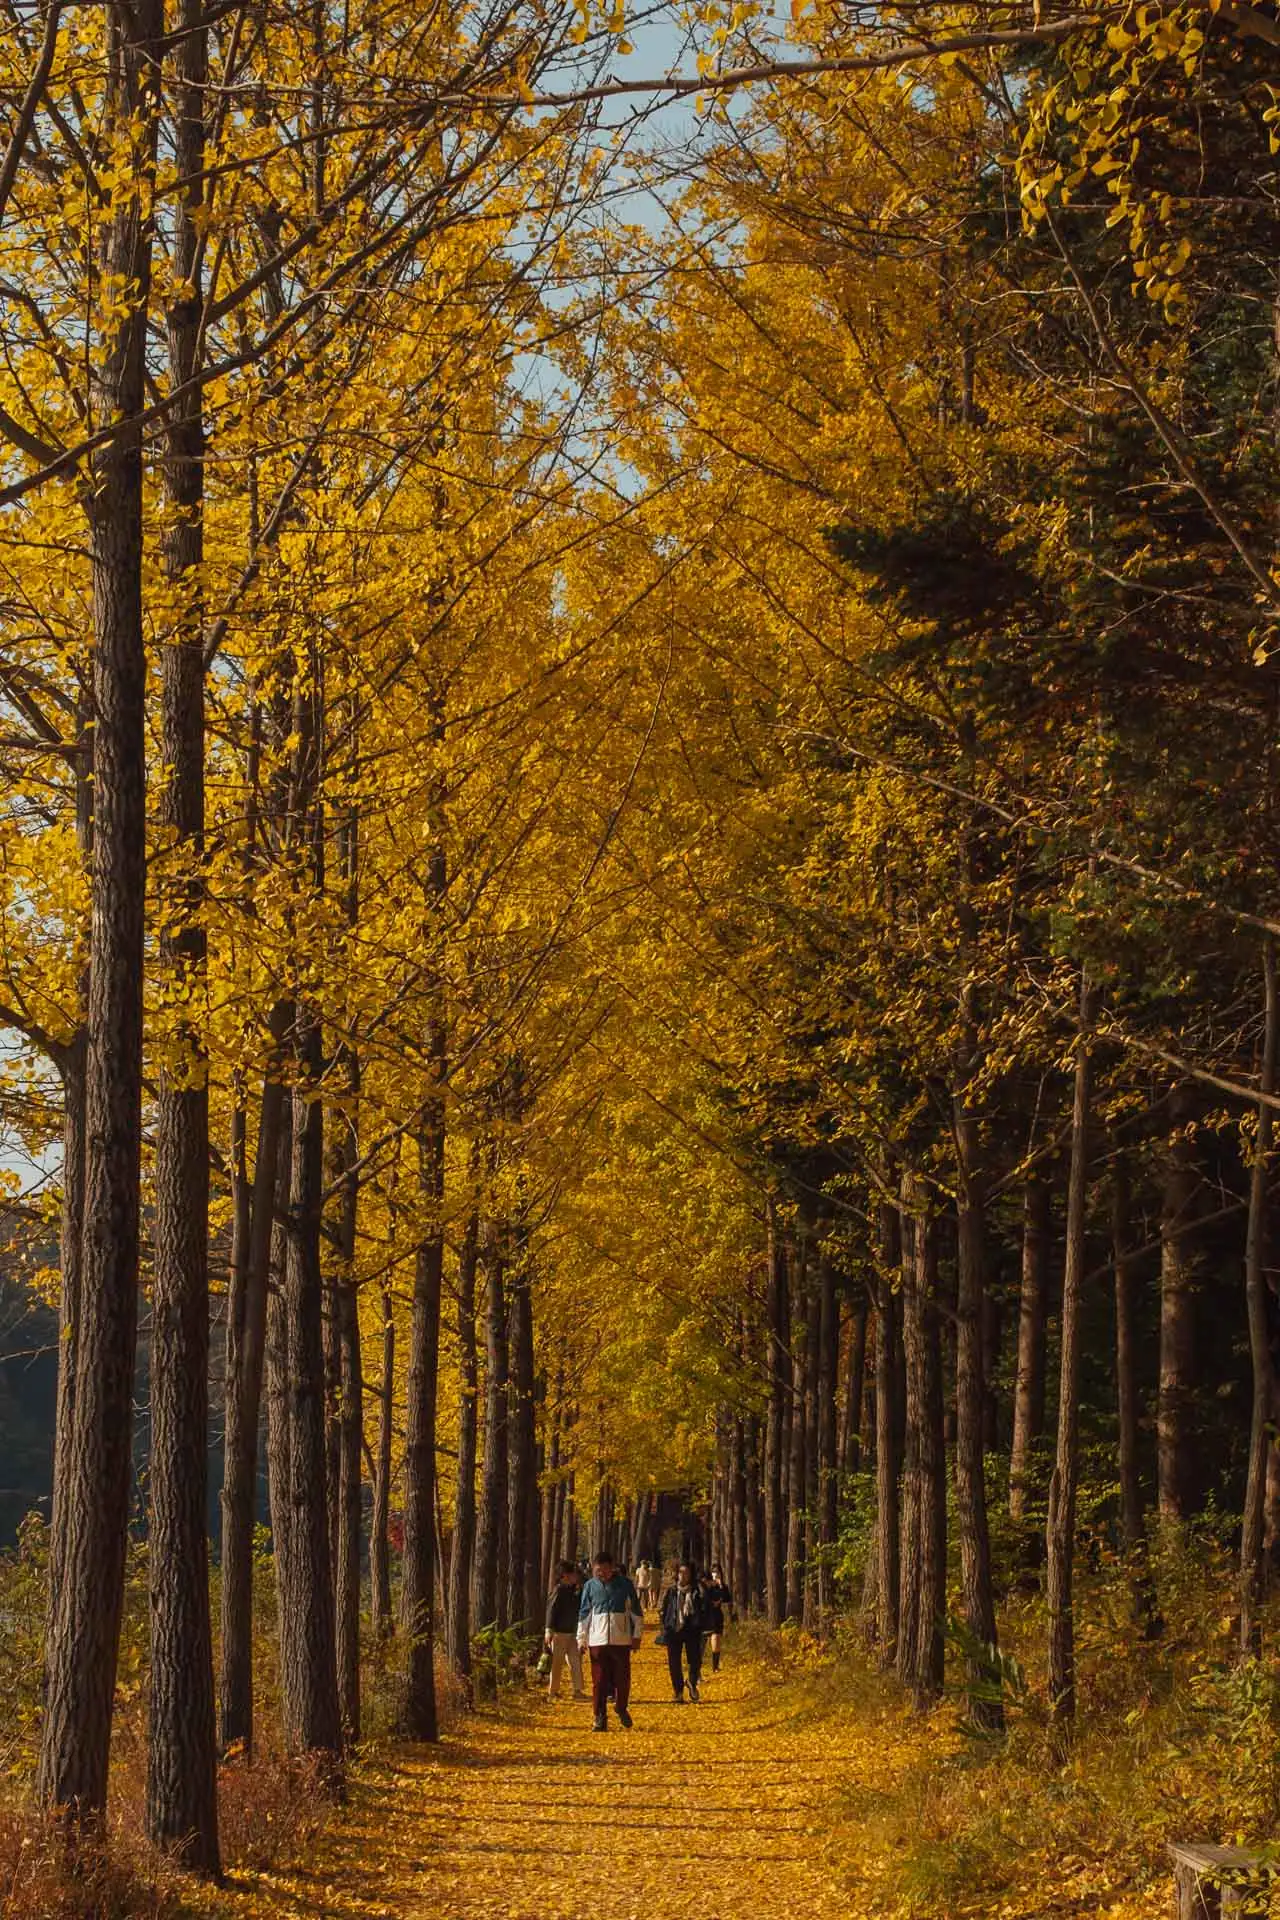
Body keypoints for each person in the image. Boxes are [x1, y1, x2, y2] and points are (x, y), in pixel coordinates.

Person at [577, 1549, 642, 1731]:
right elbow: (584, 1613)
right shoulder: (590, 1586)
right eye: (598, 1570)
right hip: (597, 1641)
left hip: (620, 1640)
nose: (601, 1573)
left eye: (604, 1570)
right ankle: (599, 1717)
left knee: (622, 1679)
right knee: (599, 1681)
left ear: (612, 1568)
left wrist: (636, 1635)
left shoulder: (625, 1585)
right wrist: (581, 1639)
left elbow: (636, 1612)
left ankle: (621, 1708)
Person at [660, 1562, 705, 1703]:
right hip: (674, 1629)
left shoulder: (697, 1590)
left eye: (686, 1572)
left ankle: (691, 1682)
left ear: (691, 1575)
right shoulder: (672, 1591)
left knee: (695, 1659)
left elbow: (704, 1607)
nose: (683, 1575)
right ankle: (678, 1692)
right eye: (680, 1572)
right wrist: (665, 1625)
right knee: (674, 1663)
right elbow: (664, 1608)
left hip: (692, 1629)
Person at [544, 1561, 587, 1701]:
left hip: (572, 1633)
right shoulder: (558, 1590)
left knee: (575, 1662)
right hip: (558, 1633)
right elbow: (551, 1610)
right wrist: (548, 1630)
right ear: (565, 1576)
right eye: (573, 1574)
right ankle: (552, 1692)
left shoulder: (575, 1590)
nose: (576, 1576)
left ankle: (578, 1691)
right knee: (557, 1664)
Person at [701, 1565, 733, 1673]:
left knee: (716, 1640)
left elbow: (727, 1598)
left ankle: (715, 1666)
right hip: (706, 1616)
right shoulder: (707, 1586)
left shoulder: (722, 1586)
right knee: (704, 1642)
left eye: (718, 1572)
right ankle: (698, 1668)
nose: (716, 1574)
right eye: (714, 1572)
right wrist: (712, 1603)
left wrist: (721, 1586)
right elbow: (703, 1598)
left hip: (717, 1616)